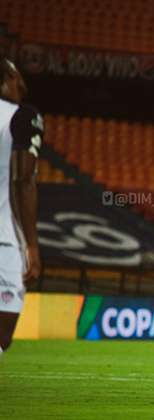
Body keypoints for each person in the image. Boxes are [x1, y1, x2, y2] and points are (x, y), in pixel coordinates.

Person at [0, 57, 42, 359]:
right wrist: (31, 245)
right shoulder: (21, 116)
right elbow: (23, 179)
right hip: (3, 238)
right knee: (3, 335)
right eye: (17, 77)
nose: (23, 85)